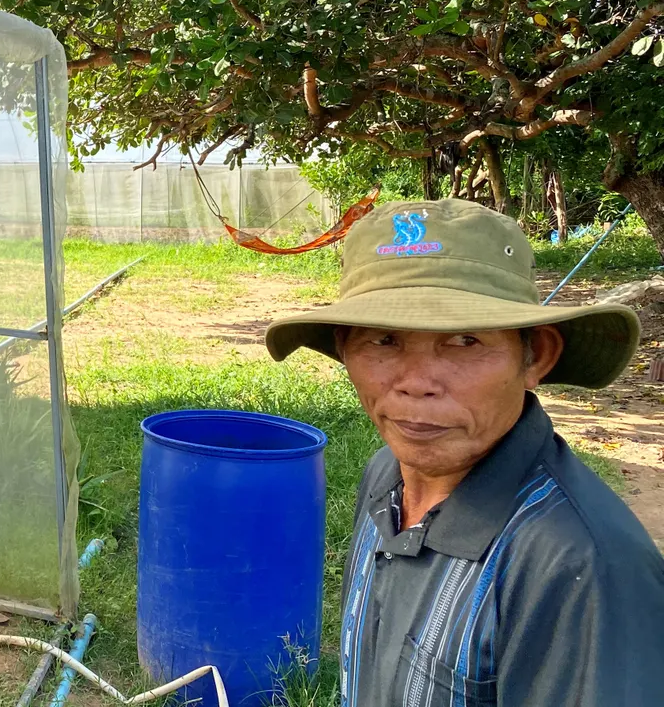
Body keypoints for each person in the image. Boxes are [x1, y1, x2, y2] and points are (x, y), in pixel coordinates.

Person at [265, 198, 664, 706]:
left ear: (535, 355)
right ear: (344, 348)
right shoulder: (387, 473)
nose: (416, 383)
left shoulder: (579, 566)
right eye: (383, 340)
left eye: (464, 340)